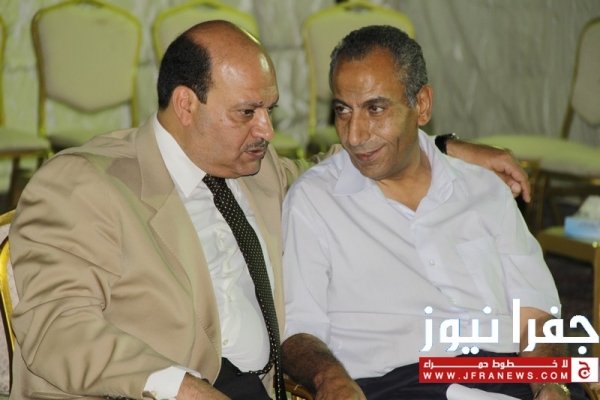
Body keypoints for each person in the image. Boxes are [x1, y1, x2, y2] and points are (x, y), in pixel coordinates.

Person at [9, 21, 530, 400]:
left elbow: (351, 158)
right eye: (247, 112)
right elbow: (57, 327)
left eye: (269, 109)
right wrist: (179, 387)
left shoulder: (261, 173)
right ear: (186, 105)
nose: (267, 130)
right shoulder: (83, 184)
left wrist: (443, 148)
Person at [280, 25, 584, 400]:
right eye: (343, 110)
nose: (355, 135)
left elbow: (537, 314)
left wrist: (551, 383)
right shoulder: (315, 200)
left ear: (422, 105)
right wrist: (331, 379)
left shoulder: (484, 189)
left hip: (510, 376)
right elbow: (299, 330)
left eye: (376, 109)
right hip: (399, 384)